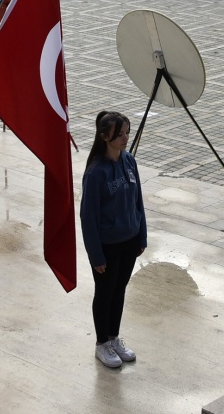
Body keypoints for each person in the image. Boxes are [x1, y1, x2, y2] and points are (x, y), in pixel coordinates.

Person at [80, 111, 146, 369]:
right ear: (104, 136)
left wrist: (141, 235)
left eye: (127, 133)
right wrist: (96, 255)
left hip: (129, 241)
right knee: (105, 293)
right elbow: (88, 217)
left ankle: (113, 337)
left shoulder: (129, 161)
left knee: (119, 291)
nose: (125, 138)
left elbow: (138, 201)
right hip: (108, 246)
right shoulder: (96, 173)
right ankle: (101, 344)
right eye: (119, 134)